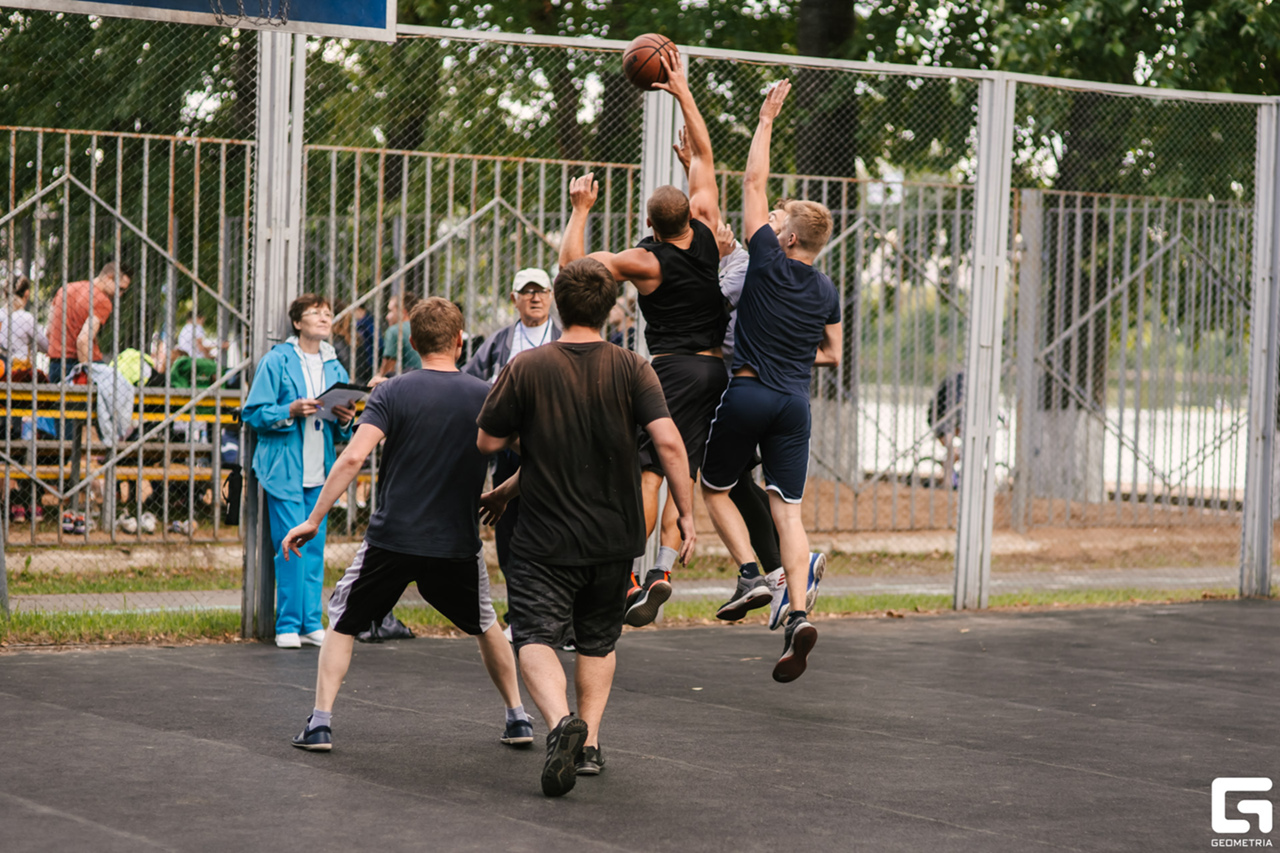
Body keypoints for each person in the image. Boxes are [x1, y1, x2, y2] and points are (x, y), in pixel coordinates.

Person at [476, 257, 695, 797]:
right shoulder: (633, 367)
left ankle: (559, 726)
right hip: (616, 535)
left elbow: (487, 441)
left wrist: (518, 458)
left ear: (559, 302)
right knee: (597, 639)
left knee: (533, 635)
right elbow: (667, 443)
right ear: (608, 308)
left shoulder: (527, 367)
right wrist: (686, 512)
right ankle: (591, 744)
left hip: (544, 536)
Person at [282, 297, 533, 753]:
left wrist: (313, 519)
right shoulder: (485, 396)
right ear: (460, 342)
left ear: (413, 342)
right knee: (485, 624)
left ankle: (320, 723)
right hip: (457, 541)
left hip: (393, 538)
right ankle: (518, 717)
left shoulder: (391, 392)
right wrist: (503, 494)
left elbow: (355, 456)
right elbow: (540, 453)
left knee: (341, 621)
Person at [558, 50, 726, 629]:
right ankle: (658, 571)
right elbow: (704, 155)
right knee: (687, 467)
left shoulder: (645, 261)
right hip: (716, 372)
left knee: (650, 471)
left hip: (673, 368)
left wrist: (581, 210)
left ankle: (640, 573)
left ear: (651, 225)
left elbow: (574, 272)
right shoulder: (706, 225)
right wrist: (681, 90)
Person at [699, 80, 842, 683]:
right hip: (794, 403)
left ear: (785, 238)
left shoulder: (764, 259)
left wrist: (765, 118)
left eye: (779, 219)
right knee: (788, 510)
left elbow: (752, 184)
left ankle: (750, 573)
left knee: (713, 487)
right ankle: (798, 614)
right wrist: (796, 351)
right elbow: (831, 353)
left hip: (750, 390)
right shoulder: (827, 289)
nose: (771, 217)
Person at [242, 294, 357, 649]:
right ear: (297, 322)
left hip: (319, 469)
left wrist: (346, 419)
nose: (324, 318)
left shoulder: (335, 366)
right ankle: (287, 623)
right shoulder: (276, 361)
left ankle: (311, 621)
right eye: (315, 313)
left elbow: (342, 429)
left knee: (316, 546)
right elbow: (254, 413)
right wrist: (289, 409)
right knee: (291, 546)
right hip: (283, 469)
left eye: (328, 314)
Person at [463, 268, 562, 583]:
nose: (535, 297)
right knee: (508, 526)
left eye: (541, 291)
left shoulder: (563, 339)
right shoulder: (499, 342)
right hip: (508, 451)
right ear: (514, 299)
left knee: (550, 524)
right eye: (527, 292)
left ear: (551, 296)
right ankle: (518, 605)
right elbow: (469, 381)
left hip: (553, 450)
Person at [45, 260, 132, 382]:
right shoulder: (102, 300)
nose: (120, 294)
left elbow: (49, 331)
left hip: (56, 365)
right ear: (109, 277)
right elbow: (83, 340)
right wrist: (87, 376)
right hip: (79, 363)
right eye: (120, 288)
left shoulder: (65, 289)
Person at [377, 291, 422, 378]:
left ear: (403, 312)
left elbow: (387, 369)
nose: (387, 316)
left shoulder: (394, 330)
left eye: (390, 311)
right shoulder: (424, 326)